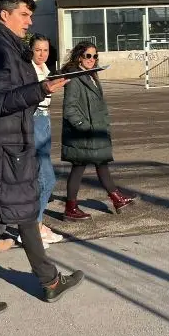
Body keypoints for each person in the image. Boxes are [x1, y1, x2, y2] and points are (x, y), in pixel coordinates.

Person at [0, 0, 83, 318]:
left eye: (31, 15)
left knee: (23, 212)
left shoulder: (8, 47)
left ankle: (50, 282)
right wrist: (43, 88)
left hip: (9, 147)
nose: (30, 21)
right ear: (4, 15)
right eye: (24, 14)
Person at [60, 42, 137, 221]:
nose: (92, 60)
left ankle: (116, 198)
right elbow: (69, 109)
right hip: (83, 134)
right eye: (88, 56)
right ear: (80, 57)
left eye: (95, 56)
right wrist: (85, 127)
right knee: (78, 168)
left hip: (94, 132)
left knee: (101, 163)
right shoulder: (75, 78)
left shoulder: (90, 75)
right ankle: (70, 208)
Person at [28, 34, 63, 246]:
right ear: (30, 50)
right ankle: (33, 228)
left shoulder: (45, 69)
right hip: (34, 120)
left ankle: (36, 225)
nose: (42, 54)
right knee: (46, 179)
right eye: (38, 50)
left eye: (46, 50)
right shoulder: (30, 70)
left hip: (44, 119)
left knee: (42, 178)